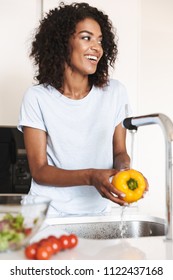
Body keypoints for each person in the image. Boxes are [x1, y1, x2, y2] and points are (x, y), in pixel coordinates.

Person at [18, 2, 140, 217]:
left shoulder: (115, 93)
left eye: (100, 40)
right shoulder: (37, 98)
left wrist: (123, 171)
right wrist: (91, 176)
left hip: (98, 211)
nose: (97, 47)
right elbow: (39, 170)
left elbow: (119, 152)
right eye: (86, 37)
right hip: (48, 212)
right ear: (62, 43)